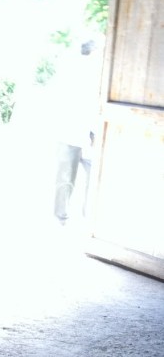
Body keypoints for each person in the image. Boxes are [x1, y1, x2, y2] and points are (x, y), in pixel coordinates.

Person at [52, 39, 101, 226]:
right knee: (65, 179)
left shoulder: (97, 74)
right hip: (71, 132)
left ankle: (84, 221)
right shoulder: (74, 72)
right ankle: (62, 219)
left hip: (89, 135)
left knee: (91, 181)